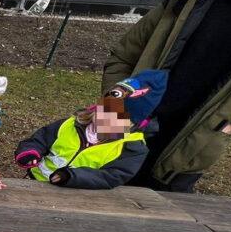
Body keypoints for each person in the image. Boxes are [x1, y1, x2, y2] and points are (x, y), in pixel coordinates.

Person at [104, 0, 231, 191]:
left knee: (154, 225)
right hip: (116, 135)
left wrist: (225, 129)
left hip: (182, 162)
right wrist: (117, 105)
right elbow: (123, 56)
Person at [14, 70, 167, 189]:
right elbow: (40, 139)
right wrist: (30, 152)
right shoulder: (70, 124)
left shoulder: (132, 148)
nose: (102, 119)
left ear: (131, 124)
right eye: (103, 110)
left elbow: (111, 177)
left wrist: (72, 177)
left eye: (113, 118)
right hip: (35, 183)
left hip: (78, 195)